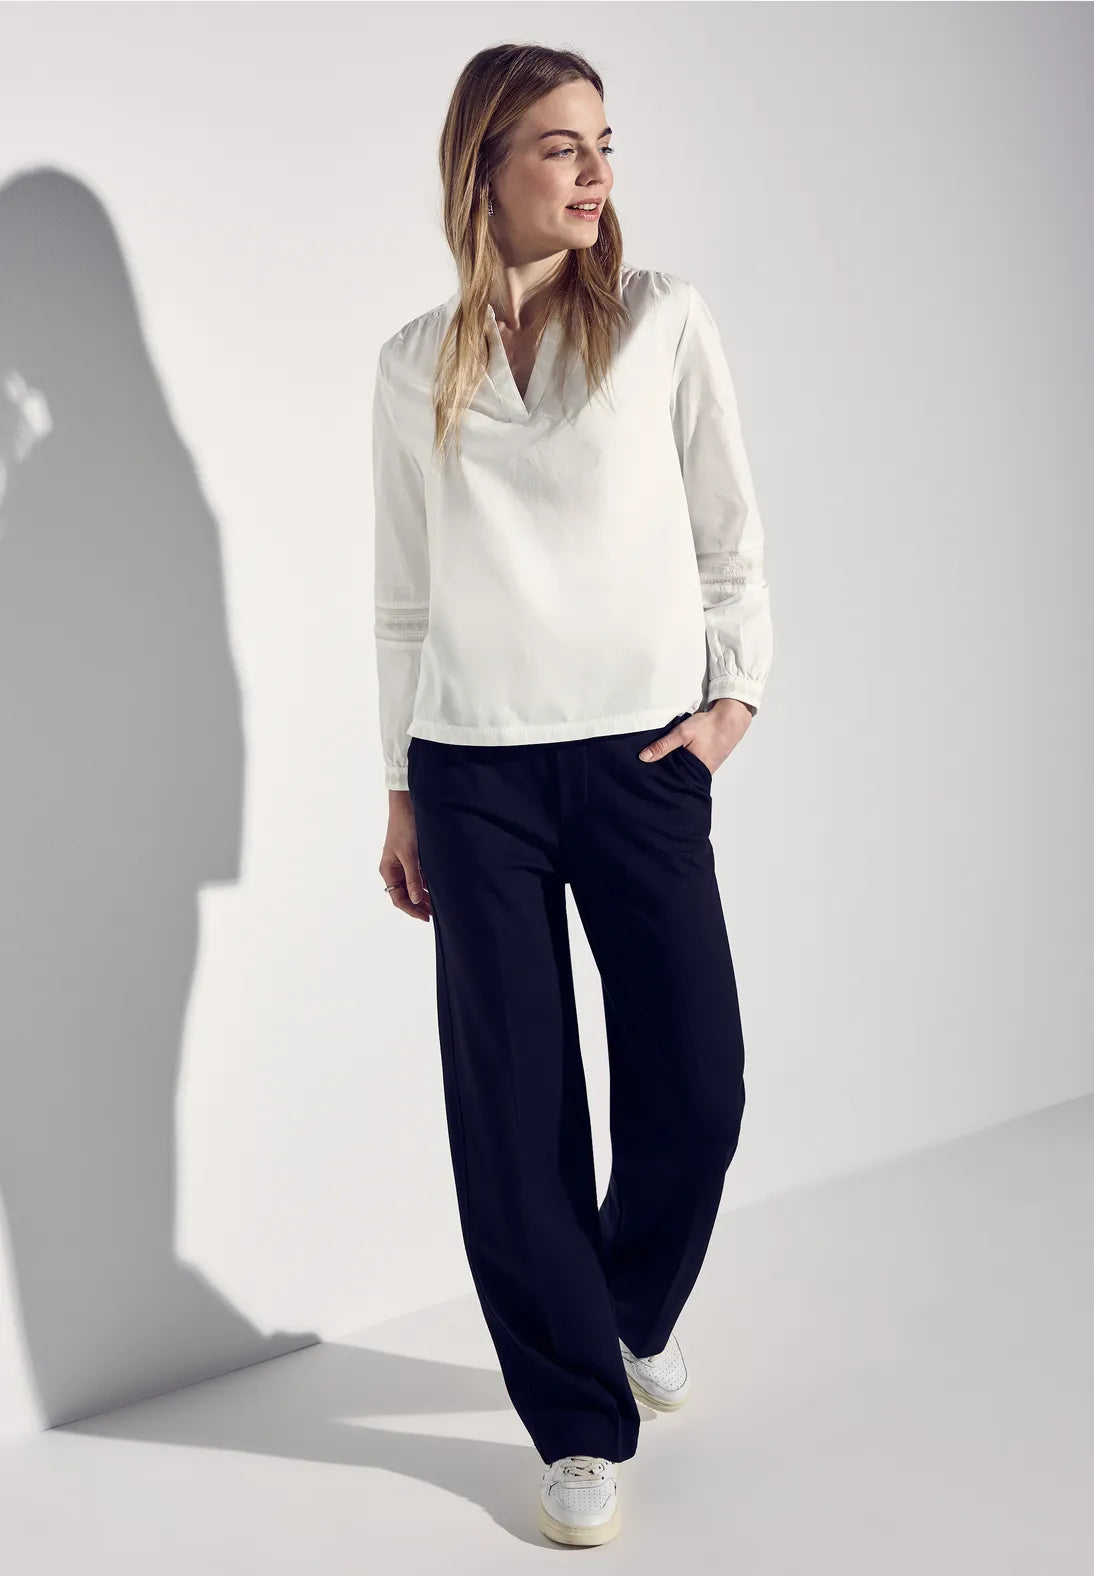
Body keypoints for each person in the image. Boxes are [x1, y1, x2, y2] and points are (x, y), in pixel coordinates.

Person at [372, 43, 773, 1548]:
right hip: (472, 773)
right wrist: (401, 786)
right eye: (558, 144)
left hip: (640, 761)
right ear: (483, 168)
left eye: (604, 141)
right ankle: (576, 1422)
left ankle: (624, 1306)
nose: (596, 170)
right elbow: (403, 598)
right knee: (516, 1112)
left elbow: (729, 535)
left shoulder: (663, 320)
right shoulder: (413, 361)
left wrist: (733, 698)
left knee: (699, 1085)